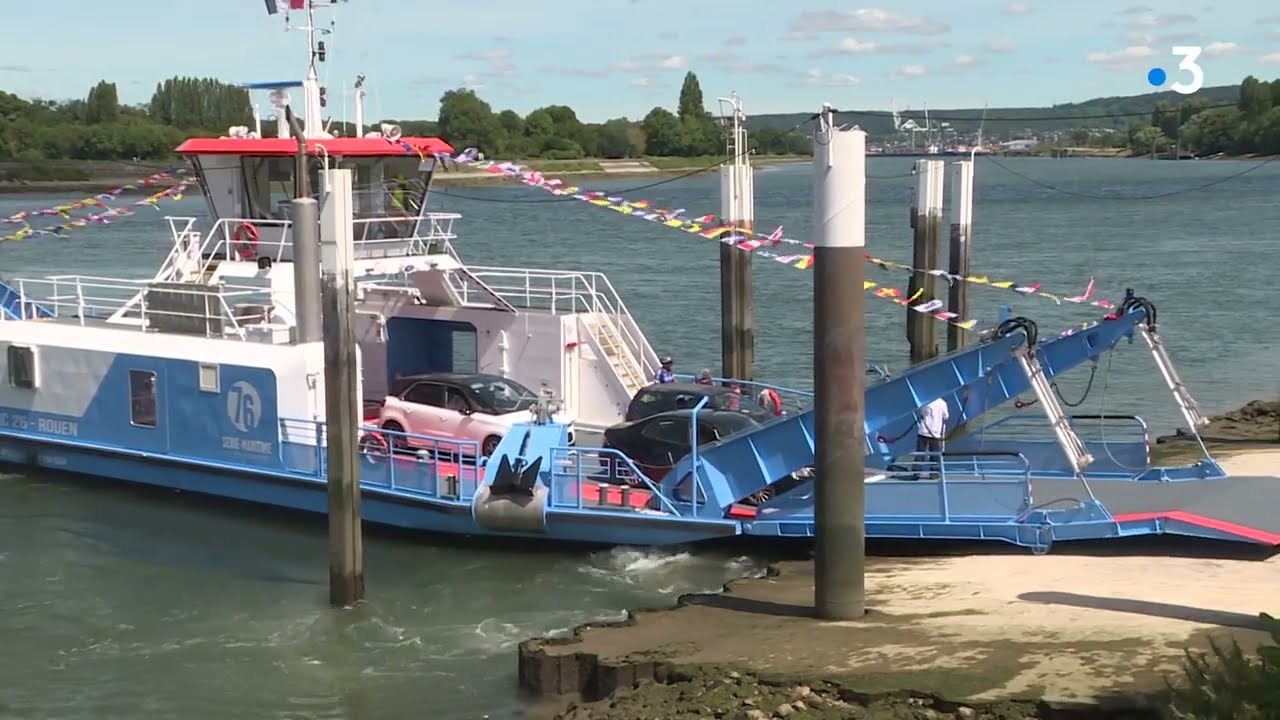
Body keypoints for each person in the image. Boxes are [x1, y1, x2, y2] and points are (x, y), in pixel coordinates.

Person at [914, 396, 949, 479]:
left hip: (923, 431)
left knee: (920, 453)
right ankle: (934, 473)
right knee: (935, 454)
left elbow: (922, 413)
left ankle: (916, 472)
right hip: (935, 433)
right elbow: (946, 416)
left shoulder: (926, 402)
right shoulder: (943, 403)